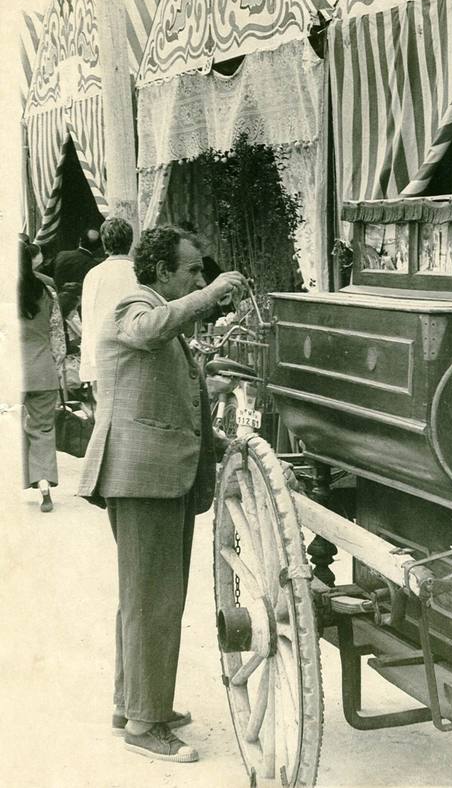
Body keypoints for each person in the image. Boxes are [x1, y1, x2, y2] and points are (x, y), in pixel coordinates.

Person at [77, 226, 247, 763]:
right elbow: (146, 330)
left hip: (153, 475)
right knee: (155, 601)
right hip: (144, 477)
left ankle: (133, 705)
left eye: (201, 271)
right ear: (160, 271)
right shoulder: (136, 302)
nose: (198, 277)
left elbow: (157, 376)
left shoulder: (155, 310)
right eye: (191, 270)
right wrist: (211, 292)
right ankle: (146, 725)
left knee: (145, 598)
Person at [18, 241, 66, 512]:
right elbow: (58, 337)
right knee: (43, 430)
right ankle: (44, 487)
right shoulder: (47, 290)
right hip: (42, 369)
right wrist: (54, 365)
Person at [79, 217, 138, 395]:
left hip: (103, 356)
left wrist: (90, 365)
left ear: (104, 244)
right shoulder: (140, 272)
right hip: (136, 354)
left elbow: (88, 321)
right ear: (131, 241)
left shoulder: (94, 275)